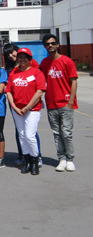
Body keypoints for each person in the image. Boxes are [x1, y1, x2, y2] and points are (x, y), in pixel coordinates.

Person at [39, 34, 78, 172]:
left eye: (52, 43)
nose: (50, 45)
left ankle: (70, 159)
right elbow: (38, 78)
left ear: (57, 45)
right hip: (51, 104)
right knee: (56, 133)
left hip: (66, 103)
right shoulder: (44, 63)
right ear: (45, 46)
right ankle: (62, 159)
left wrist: (70, 102)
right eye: (47, 44)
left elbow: (74, 82)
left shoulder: (67, 61)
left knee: (66, 132)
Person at [6, 48, 46, 175]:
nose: (22, 60)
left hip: (32, 109)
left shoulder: (37, 72)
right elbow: (8, 91)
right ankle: (27, 160)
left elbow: (39, 91)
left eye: (25, 57)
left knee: (30, 135)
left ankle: (35, 161)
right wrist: (14, 106)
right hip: (17, 109)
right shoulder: (14, 73)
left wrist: (27, 107)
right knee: (22, 136)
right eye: (20, 57)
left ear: (30, 59)